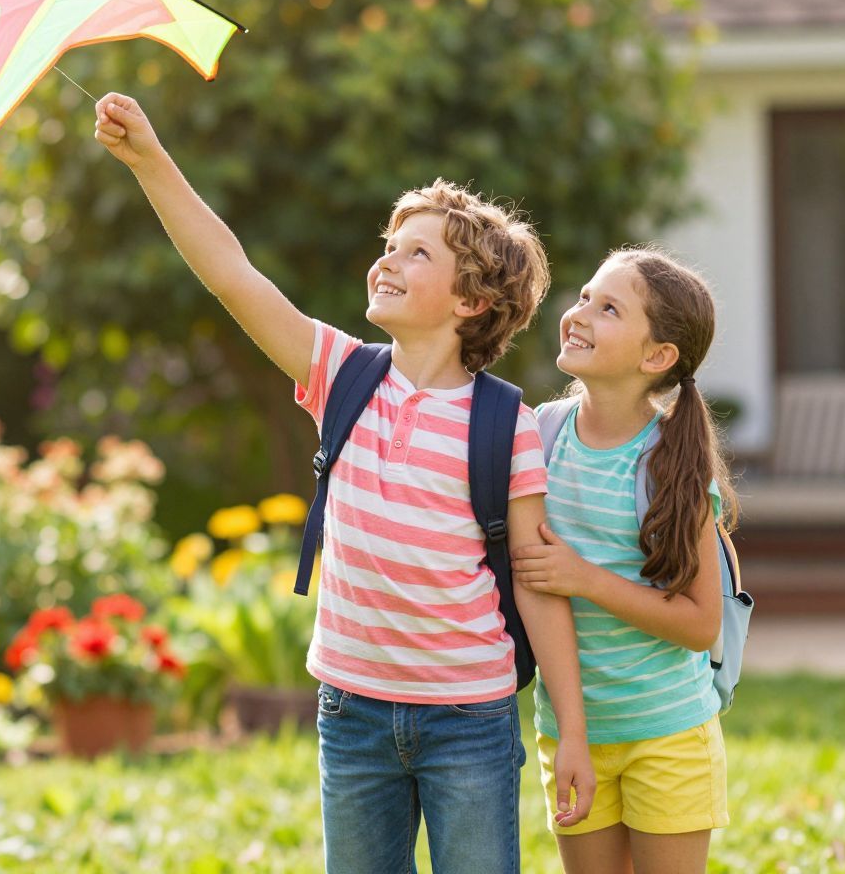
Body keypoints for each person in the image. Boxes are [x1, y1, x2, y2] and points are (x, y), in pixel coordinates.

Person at [93, 92, 593, 873]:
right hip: (350, 711)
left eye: (416, 252)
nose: (387, 259)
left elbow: (536, 585)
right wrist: (150, 162)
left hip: (469, 717)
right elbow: (231, 274)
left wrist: (573, 734)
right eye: (388, 245)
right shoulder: (340, 374)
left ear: (470, 302)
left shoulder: (506, 424)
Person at [514, 247, 735, 874]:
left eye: (607, 307)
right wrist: (573, 738)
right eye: (584, 297)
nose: (578, 313)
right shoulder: (539, 435)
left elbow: (699, 624)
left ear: (656, 356)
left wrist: (585, 579)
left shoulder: (673, 466)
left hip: (667, 733)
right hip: (569, 730)